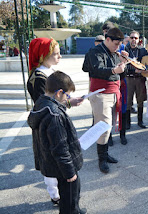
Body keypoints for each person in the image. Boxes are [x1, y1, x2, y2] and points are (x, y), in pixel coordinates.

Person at [27, 37, 83, 206]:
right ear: (44, 55)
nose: (60, 57)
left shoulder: (47, 73)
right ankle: (55, 195)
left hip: (49, 120)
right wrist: (68, 102)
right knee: (51, 158)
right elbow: (47, 105)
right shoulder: (39, 77)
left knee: (54, 157)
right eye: (56, 54)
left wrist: (68, 100)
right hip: (47, 124)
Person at [82, 28, 126, 173]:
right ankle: (101, 159)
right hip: (101, 93)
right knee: (104, 127)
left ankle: (105, 155)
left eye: (119, 44)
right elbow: (96, 69)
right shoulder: (95, 51)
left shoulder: (114, 52)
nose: (118, 47)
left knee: (109, 125)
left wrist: (124, 61)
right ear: (107, 40)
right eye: (116, 44)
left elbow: (120, 71)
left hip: (113, 92)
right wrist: (114, 70)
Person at [124, 30, 148, 129]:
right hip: (128, 79)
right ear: (129, 38)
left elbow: (147, 64)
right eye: (132, 37)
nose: (133, 39)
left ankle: (140, 121)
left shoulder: (143, 51)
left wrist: (142, 70)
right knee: (128, 101)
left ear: (139, 40)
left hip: (140, 79)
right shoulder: (124, 50)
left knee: (140, 100)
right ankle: (127, 122)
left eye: (136, 38)